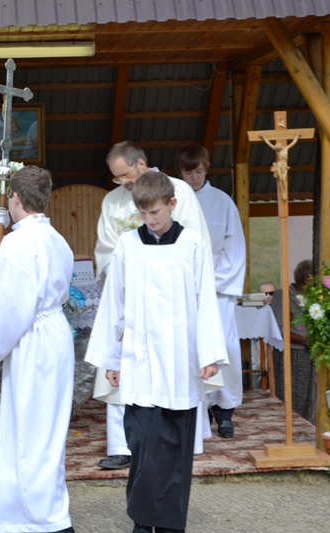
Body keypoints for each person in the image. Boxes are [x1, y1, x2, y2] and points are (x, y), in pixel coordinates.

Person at [85, 171, 227, 533]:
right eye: (144, 213)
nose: (150, 220)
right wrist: (111, 360)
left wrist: (209, 354)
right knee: (142, 446)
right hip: (139, 362)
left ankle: (169, 525)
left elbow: (206, 301)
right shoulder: (128, 246)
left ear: (172, 204)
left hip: (181, 364)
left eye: (156, 212)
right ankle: (142, 521)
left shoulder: (192, 244)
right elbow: (114, 303)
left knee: (175, 449)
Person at [93, 141, 213, 468]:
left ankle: (182, 443)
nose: (121, 182)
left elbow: (194, 243)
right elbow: (106, 249)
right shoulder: (112, 201)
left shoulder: (179, 192)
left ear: (141, 164)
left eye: (124, 175)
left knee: (178, 370)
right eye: (116, 178)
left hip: (174, 304)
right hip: (134, 299)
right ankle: (123, 446)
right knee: (124, 369)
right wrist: (127, 269)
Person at [0, 166, 76, 533]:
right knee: (48, 429)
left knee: (26, 430)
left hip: (32, 337)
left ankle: (30, 518)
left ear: (14, 198)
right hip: (55, 334)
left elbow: (9, 308)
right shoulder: (56, 238)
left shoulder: (19, 243)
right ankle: (47, 509)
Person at [176, 144, 246, 439]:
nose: (194, 178)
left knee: (224, 348)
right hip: (185, 288)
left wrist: (214, 281)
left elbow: (235, 247)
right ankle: (199, 408)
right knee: (192, 348)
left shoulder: (222, 202)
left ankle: (224, 410)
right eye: (188, 172)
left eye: (199, 171)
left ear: (207, 170)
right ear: (180, 173)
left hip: (217, 288)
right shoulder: (175, 200)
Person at [270, 260, 315, 423]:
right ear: (307, 279)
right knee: (292, 397)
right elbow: (279, 330)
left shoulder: (317, 297)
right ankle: (290, 427)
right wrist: (307, 340)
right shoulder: (282, 296)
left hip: (313, 352)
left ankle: (307, 426)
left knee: (310, 398)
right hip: (291, 352)